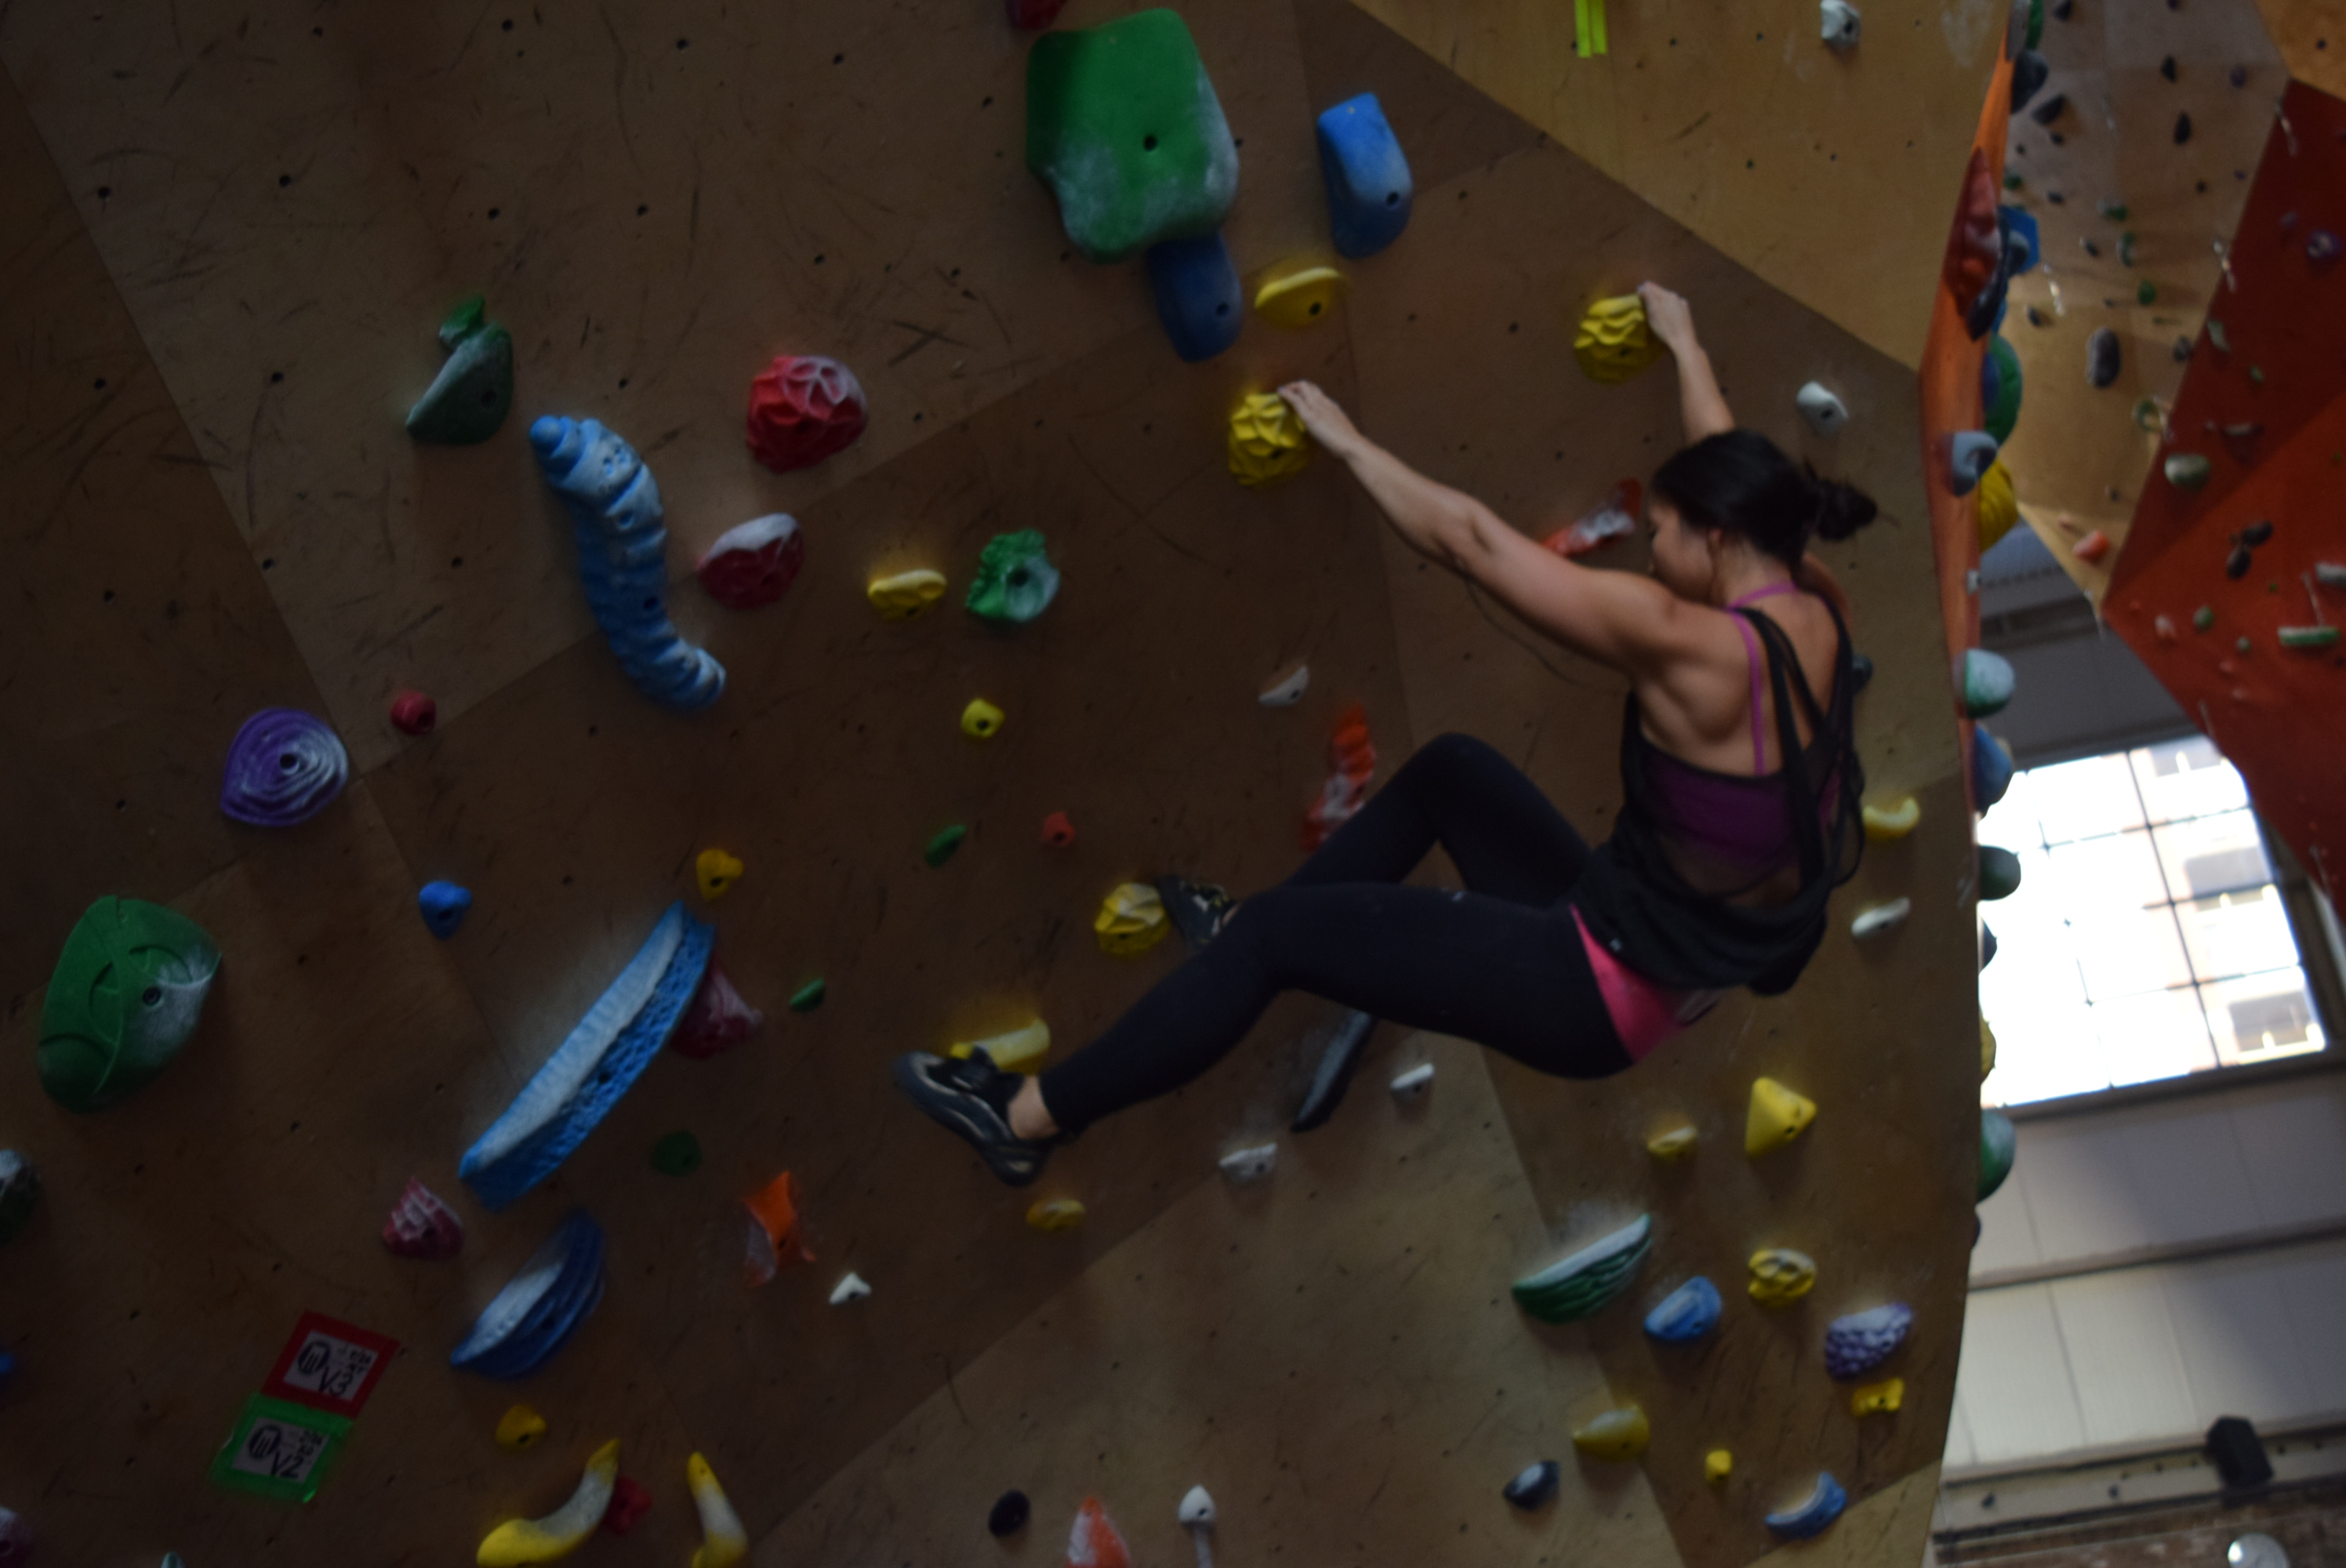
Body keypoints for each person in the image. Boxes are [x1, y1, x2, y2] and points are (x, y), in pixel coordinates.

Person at [893, 283, 1872, 1186]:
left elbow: (1473, 543)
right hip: (1666, 951)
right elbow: (1738, 481)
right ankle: (1229, 945)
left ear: (1711, 537)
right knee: (1453, 771)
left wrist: (1352, 444)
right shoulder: (1817, 605)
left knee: (1274, 938)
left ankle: (1023, 1118)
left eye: (1658, 534)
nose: (1652, 558)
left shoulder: (1689, 646)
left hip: (1592, 991)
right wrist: (1685, 347)